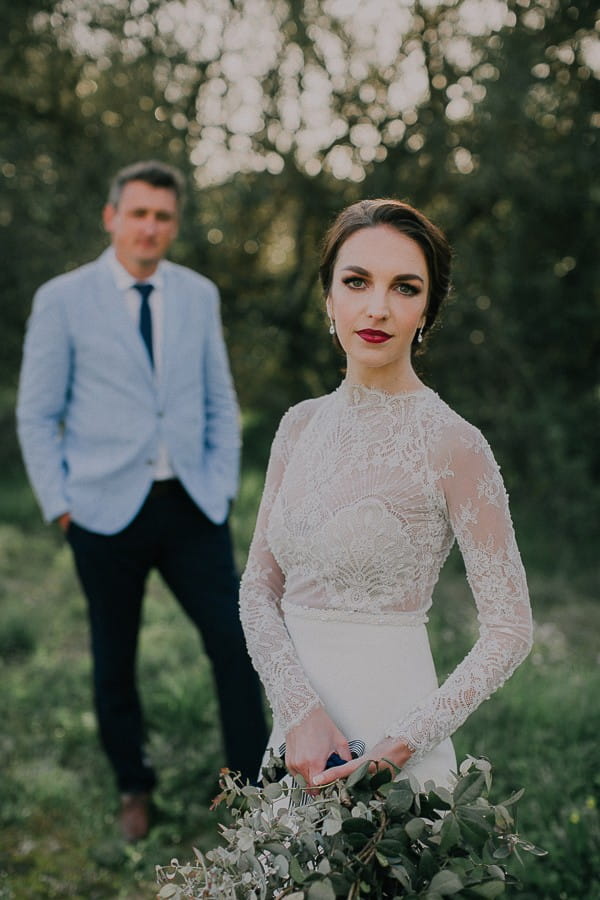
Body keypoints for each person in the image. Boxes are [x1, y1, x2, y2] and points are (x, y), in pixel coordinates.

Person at [239, 198, 533, 795]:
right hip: (296, 741)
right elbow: (257, 590)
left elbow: (510, 629)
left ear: (428, 308)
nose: (377, 308)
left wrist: (396, 749)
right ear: (329, 298)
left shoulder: (454, 444)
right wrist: (300, 714)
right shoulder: (297, 426)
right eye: (356, 282)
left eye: (404, 287)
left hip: (393, 745)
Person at [16, 160, 267, 841]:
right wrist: (61, 507)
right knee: (114, 656)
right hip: (101, 510)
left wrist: (219, 486)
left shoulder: (198, 295)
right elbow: (37, 415)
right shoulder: (62, 299)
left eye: (162, 216)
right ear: (111, 217)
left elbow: (220, 399)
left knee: (237, 642)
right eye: (138, 213)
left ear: (173, 225)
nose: (150, 227)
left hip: (192, 504)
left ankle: (253, 788)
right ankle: (134, 784)